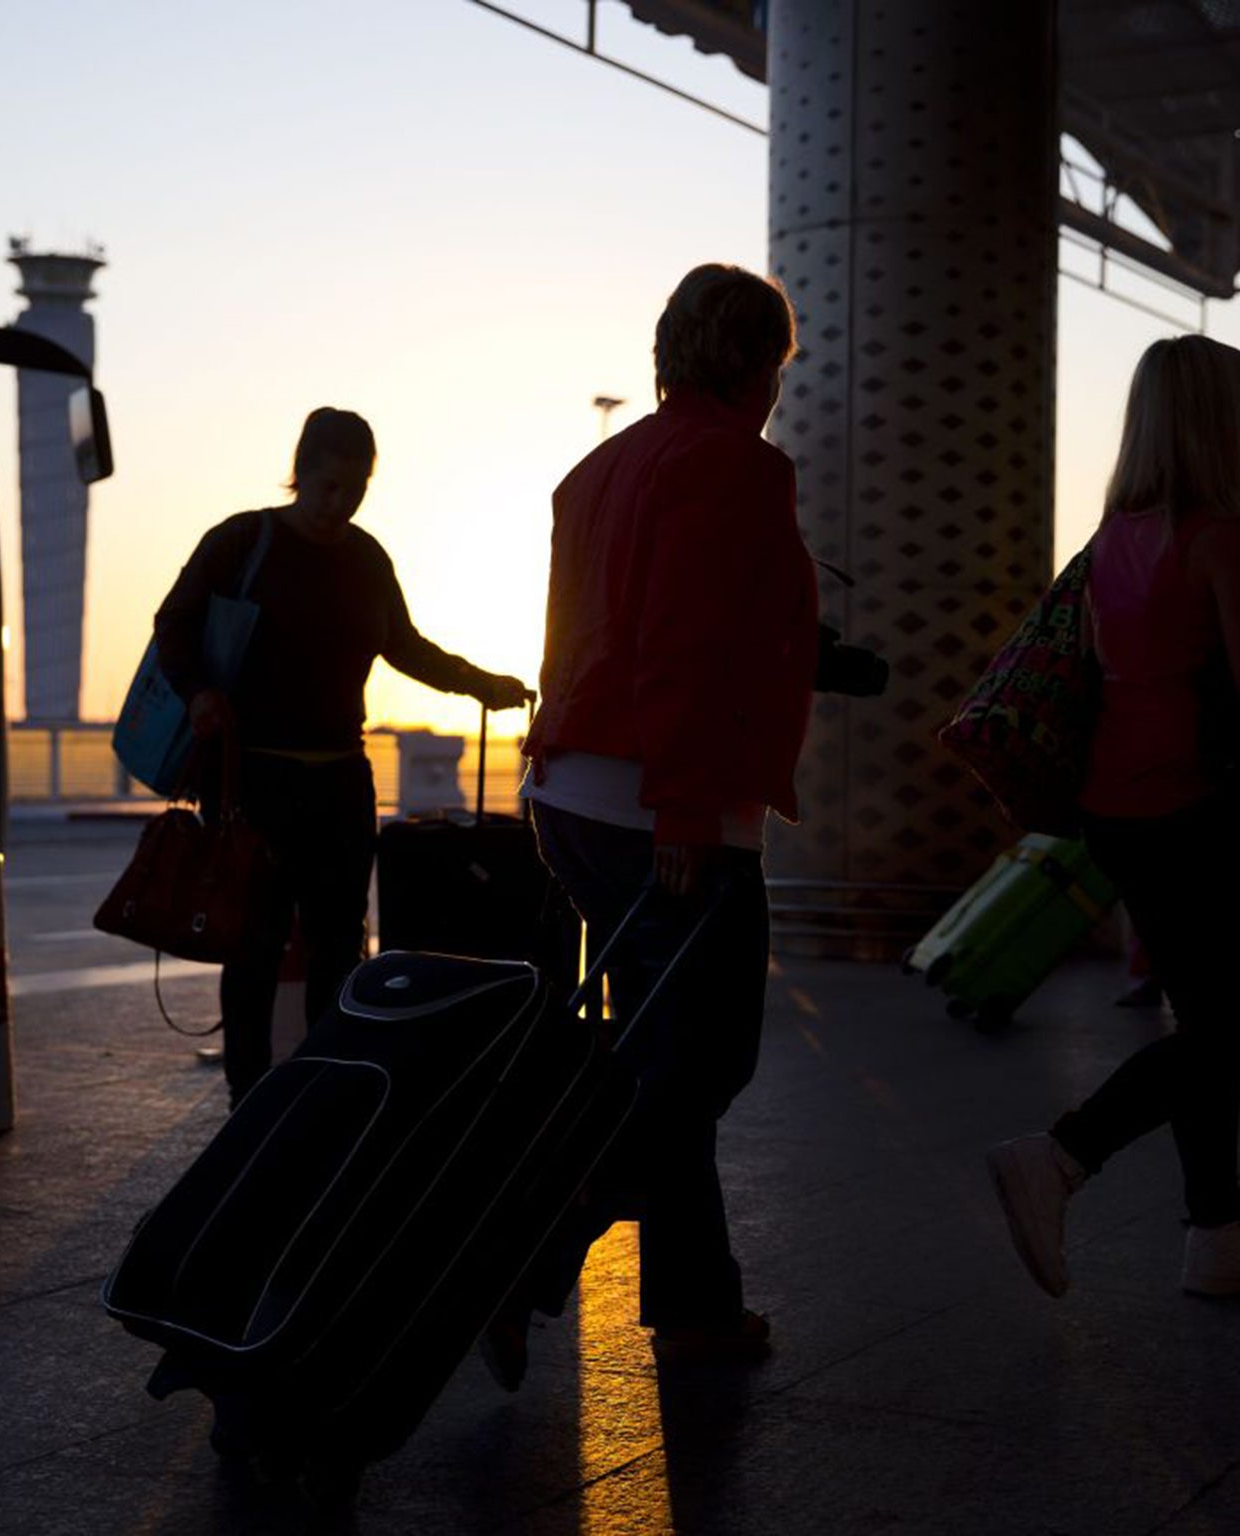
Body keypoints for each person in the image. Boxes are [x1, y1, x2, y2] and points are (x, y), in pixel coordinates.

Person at [495, 263, 824, 1380]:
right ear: (751, 361)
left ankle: (693, 1308)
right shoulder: (733, 466)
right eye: (778, 362)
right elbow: (677, 645)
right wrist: (684, 805)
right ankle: (531, 1236)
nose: (780, 384)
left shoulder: (600, 467)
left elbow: (604, 625)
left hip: (573, 796)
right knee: (703, 1066)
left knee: (663, 1063)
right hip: (665, 811)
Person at [987, 335, 1240, 1301]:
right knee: (1237, 1028)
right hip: (1200, 809)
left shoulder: (1111, 541)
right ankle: (1060, 1156)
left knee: (1205, 1019)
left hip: (1118, 813)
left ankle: (1219, 1233)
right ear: (1216, 423)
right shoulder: (1223, 541)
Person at [152, 408, 531, 1106]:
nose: (339, 505)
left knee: (338, 946)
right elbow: (172, 623)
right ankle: (247, 1093)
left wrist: (484, 685)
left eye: (354, 491)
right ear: (301, 472)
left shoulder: (366, 558)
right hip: (254, 779)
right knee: (254, 945)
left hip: (340, 782)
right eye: (328, 487)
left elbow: (406, 648)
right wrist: (198, 693)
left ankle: (325, 1091)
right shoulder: (242, 541)